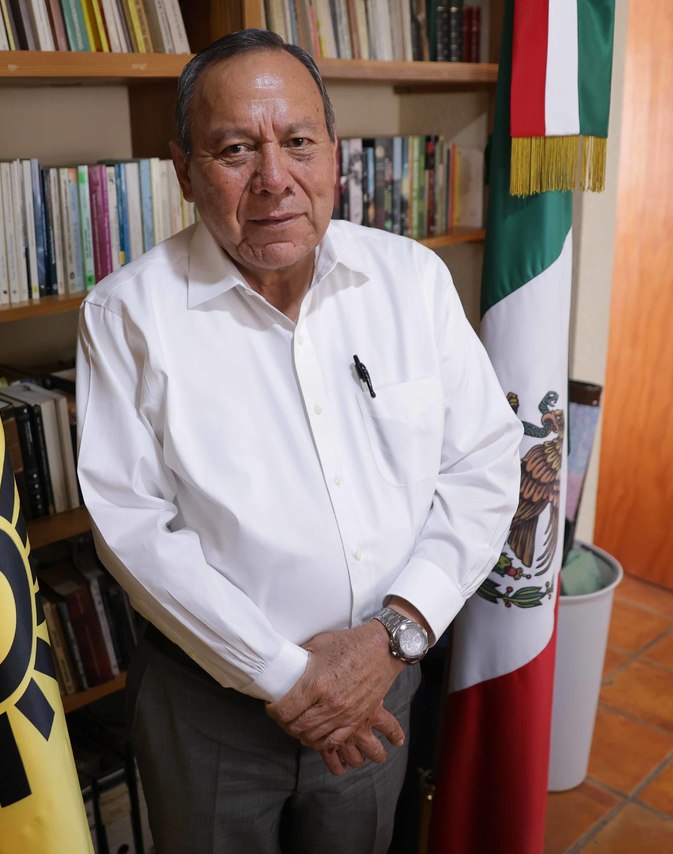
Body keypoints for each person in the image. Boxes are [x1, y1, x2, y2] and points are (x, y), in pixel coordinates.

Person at [75, 28, 522, 854]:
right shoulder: (127, 313)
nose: (274, 179)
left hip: (383, 687)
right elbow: (132, 529)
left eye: (299, 143)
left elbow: (485, 465)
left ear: (335, 154)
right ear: (184, 171)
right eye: (235, 149)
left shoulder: (412, 281)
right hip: (211, 713)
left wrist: (390, 638)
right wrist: (289, 678)